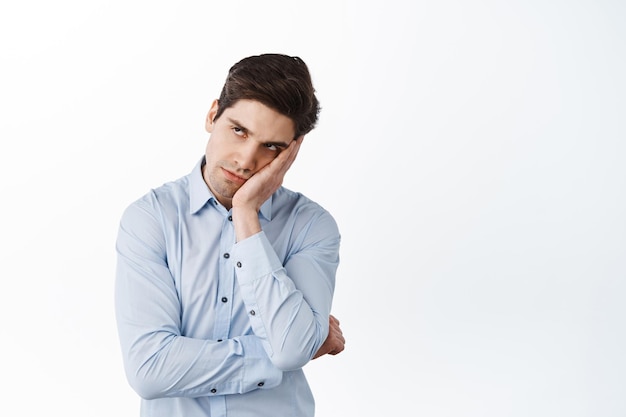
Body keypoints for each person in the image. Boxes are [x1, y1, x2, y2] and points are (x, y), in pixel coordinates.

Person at [114, 53, 345, 417]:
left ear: (292, 152)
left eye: (272, 147)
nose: (245, 160)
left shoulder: (312, 227)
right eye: (239, 130)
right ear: (212, 115)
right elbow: (149, 369)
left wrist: (246, 213)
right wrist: (292, 349)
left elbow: (290, 351)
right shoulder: (151, 219)